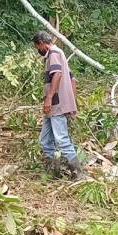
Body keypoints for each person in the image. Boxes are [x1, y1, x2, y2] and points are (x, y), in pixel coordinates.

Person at [33, 31, 85, 180]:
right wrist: (72, 103)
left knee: (61, 139)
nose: (38, 49)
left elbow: (57, 74)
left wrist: (49, 98)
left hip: (56, 104)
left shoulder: (53, 53)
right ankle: (53, 169)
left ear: (42, 43)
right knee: (45, 140)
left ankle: (78, 172)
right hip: (55, 106)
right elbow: (72, 78)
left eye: (37, 46)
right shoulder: (59, 54)